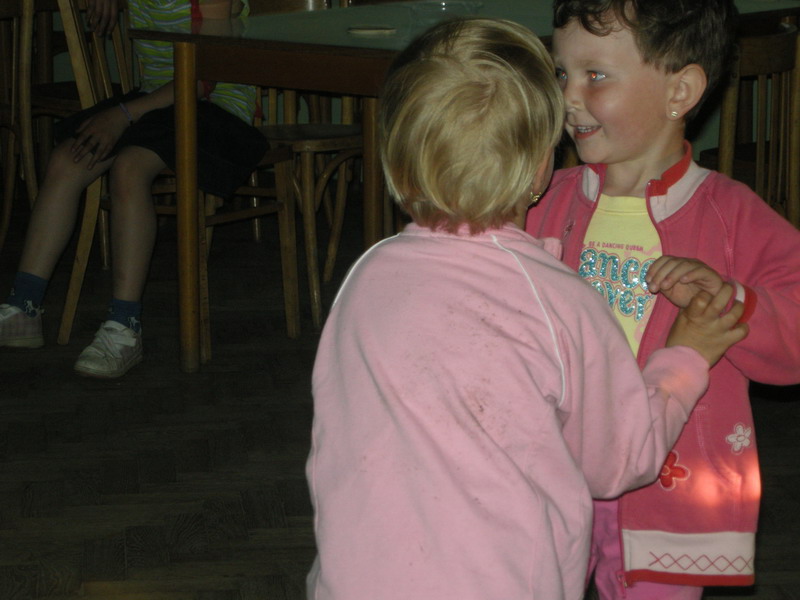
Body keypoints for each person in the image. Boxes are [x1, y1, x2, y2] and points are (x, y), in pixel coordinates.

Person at [305, 17, 748, 600]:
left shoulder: (365, 276)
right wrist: (685, 357)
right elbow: (618, 461)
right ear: (542, 166)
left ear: (396, 157)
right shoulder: (560, 300)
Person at [525, 1, 800, 598]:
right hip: (549, 479)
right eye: (561, 73)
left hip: (668, 489)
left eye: (595, 75)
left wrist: (733, 301)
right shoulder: (540, 199)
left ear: (680, 91)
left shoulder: (731, 216)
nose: (567, 96)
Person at [0, 0, 266, 378]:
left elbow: (206, 75)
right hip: (157, 102)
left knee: (130, 167)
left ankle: (124, 327)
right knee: (66, 161)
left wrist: (123, 115)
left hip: (217, 106)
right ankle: (23, 307)